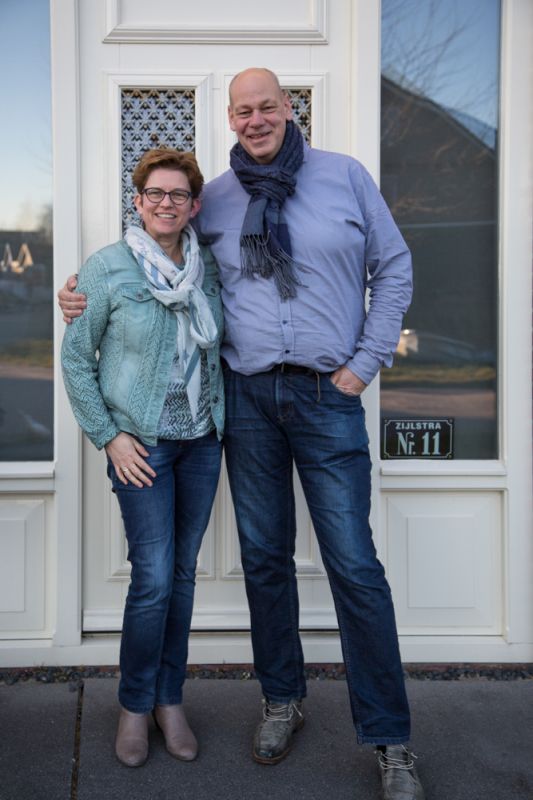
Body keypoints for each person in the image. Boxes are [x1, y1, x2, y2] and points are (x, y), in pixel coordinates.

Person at [59, 69, 424, 799]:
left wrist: (363, 366)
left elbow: (394, 268)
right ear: (228, 117)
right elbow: (156, 262)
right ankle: (282, 699)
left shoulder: (344, 178)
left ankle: (390, 740)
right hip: (247, 399)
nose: (255, 119)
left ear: (287, 108)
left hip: (327, 395)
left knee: (354, 565)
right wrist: (79, 293)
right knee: (263, 558)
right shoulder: (215, 199)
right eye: (242, 110)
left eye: (267, 106)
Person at [61, 148, 225, 768]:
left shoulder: (208, 269)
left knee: (181, 575)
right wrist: (108, 435)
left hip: (203, 440)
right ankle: (134, 704)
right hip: (141, 445)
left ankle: (168, 699)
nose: (166, 203)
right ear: (137, 201)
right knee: (153, 578)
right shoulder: (107, 268)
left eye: (178, 194)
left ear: (194, 205)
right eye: (155, 193)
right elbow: (76, 359)